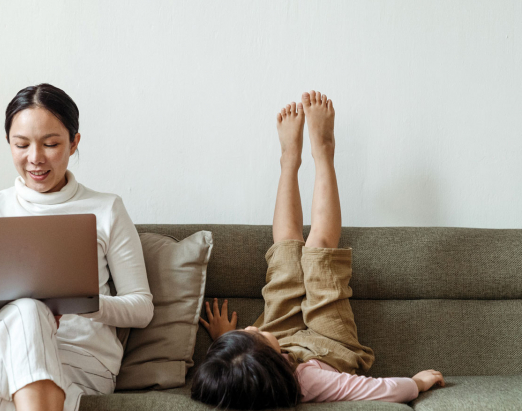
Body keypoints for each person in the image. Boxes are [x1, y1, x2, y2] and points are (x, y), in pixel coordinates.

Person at [191, 91, 445, 408]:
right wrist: (416, 383)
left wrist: (224, 343)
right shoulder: (311, 381)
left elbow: (232, 379)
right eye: (250, 333)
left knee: (285, 251)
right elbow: (380, 390)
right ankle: (324, 151)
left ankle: (289, 161)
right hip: (328, 345)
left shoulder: (250, 373)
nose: (250, 325)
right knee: (318, 250)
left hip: (278, 341)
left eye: (245, 330)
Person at [0, 84, 154, 411]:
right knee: (28, 310)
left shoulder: (106, 209)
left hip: (81, 357)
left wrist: (83, 303)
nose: (35, 158)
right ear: (9, 143)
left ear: (74, 143)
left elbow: (141, 307)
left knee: (32, 311)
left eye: (50, 144)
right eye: (21, 144)